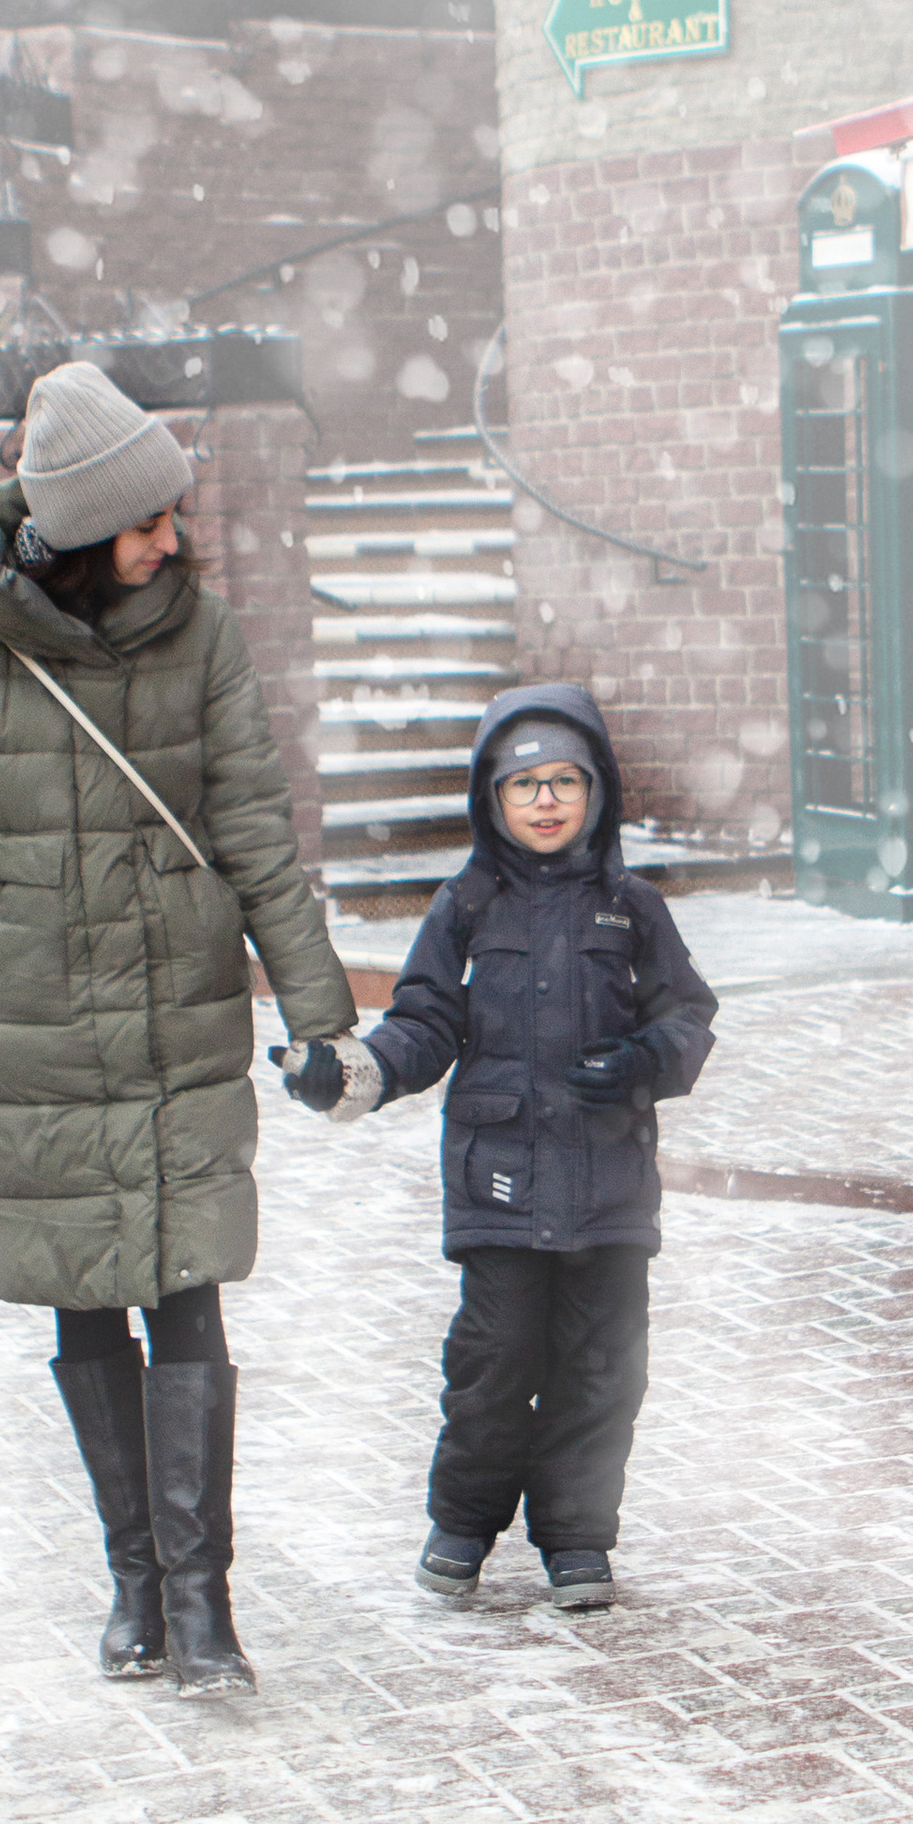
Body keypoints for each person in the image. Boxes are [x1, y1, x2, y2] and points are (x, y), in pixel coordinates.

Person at [0, 359, 358, 1698]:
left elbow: (252, 835)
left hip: (177, 1015)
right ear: (70, 534)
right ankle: (133, 1583)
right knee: (83, 1309)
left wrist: (317, 1009)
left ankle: (203, 1603)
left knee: (188, 1296)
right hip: (33, 1030)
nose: (171, 539)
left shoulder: (205, 634)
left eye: (173, 515)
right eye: (145, 520)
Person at [285, 683, 715, 1611]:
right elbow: (423, 1024)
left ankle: (575, 1538)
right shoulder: (467, 908)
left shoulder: (631, 909)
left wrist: (646, 1058)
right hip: (501, 1185)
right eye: (526, 787)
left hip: (608, 1187)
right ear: (492, 801)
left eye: (566, 781)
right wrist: (356, 1072)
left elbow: (688, 1017)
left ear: (597, 793)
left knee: (602, 1371)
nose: (548, 801)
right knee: (493, 1364)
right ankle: (462, 1525)